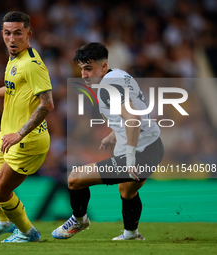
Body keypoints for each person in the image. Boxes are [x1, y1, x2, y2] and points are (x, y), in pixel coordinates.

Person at [52, 42, 163, 240]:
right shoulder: (121, 74)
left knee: (74, 179)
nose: (84, 75)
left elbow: (133, 118)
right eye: (81, 69)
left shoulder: (106, 87)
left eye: (89, 69)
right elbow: (134, 110)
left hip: (138, 153)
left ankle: (79, 220)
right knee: (127, 191)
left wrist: (129, 158)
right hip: (154, 146)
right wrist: (113, 134)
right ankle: (131, 234)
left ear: (103, 66)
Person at [0, 11, 54, 243]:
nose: (12, 38)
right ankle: (4, 221)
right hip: (8, 134)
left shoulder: (33, 64)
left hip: (28, 139)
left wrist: (19, 133)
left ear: (29, 34)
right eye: (8, 33)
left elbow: (47, 104)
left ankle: (28, 233)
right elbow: (15, 86)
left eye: (18, 33)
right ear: (2, 34)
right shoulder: (13, 58)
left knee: (0, 191)